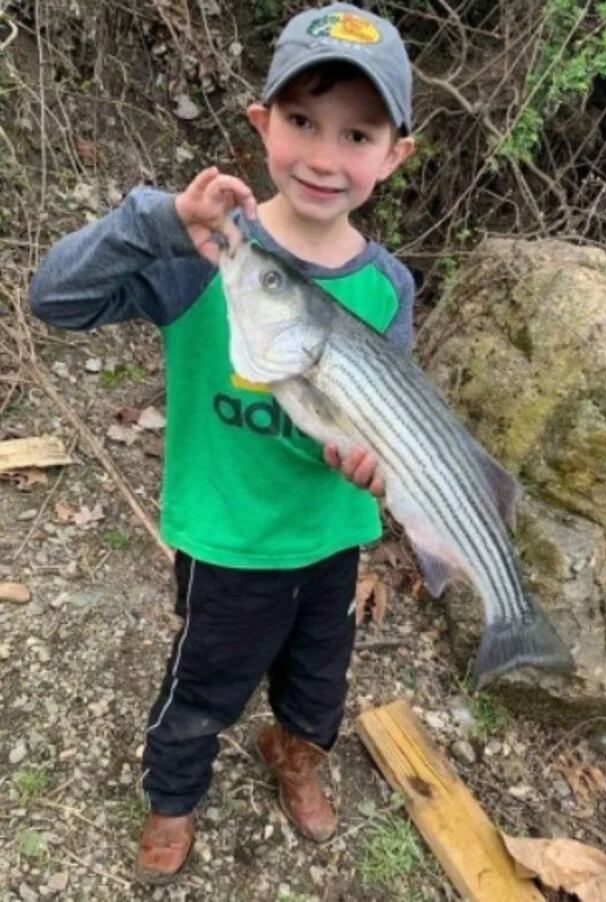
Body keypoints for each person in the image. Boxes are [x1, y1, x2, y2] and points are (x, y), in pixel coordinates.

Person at [29, 1, 415, 885]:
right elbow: (55, 303)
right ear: (261, 123)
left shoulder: (388, 284)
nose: (324, 155)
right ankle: (173, 799)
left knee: (319, 683)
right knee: (203, 687)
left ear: (394, 155)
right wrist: (155, 220)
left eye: (357, 134)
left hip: (331, 540)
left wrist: (373, 462)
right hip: (227, 541)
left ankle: (298, 751)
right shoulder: (207, 250)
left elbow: (391, 417)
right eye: (302, 121)